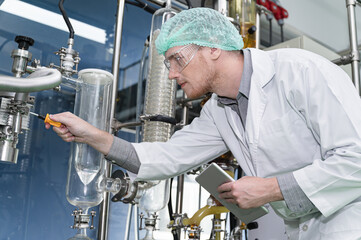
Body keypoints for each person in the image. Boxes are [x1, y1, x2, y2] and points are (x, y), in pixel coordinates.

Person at [47, 8, 361, 240]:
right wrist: (91, 135)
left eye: (177, 59)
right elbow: (166, 157)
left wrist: (270, 189)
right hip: (296, 231)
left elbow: (356, 159)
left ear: (212, 47)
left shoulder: (301, 71)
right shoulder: (218, 109)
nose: (171, 74)